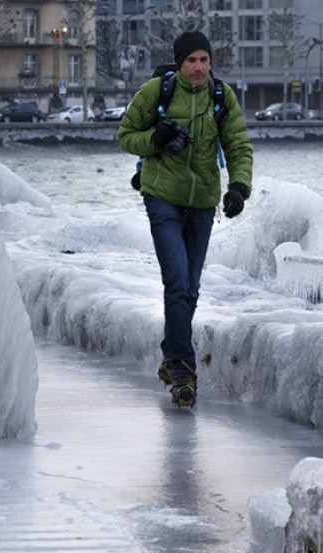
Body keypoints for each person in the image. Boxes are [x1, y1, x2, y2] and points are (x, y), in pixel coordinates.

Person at [118, 31, 253, 407]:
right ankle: (182, 370)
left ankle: (169, 354)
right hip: (161, 197)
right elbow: (126, 135)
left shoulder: (222, 97)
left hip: (203, 203)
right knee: (177, 283)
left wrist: (239, 187)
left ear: (211, 63)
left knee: (190, 289)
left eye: (204, 60)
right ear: (180, 62)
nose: (198, 67)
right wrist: (156, 139)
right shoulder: (155, 93)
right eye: (191, 60)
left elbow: (239, 145)